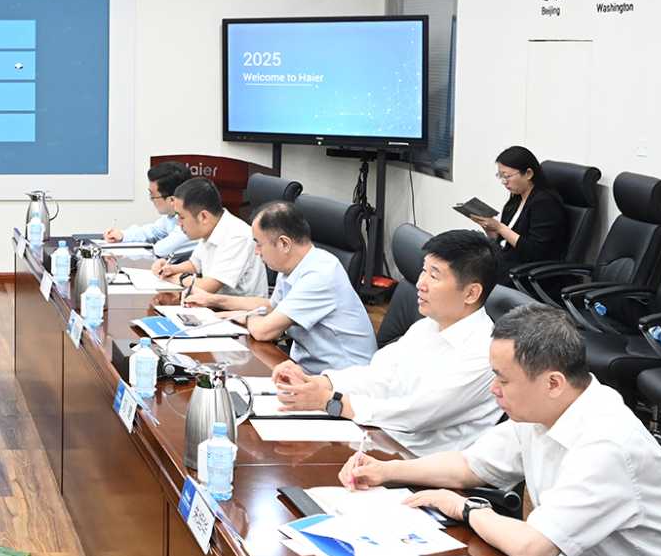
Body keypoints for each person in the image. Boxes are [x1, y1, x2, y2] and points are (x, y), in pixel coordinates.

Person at [339, 303, 661, 556]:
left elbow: (532, 548)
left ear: (553, 383)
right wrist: (386, 470)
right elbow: (469, 466)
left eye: (503, 380)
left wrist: (466, 508)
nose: (493, 389)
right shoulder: (545, 409)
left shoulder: (607, 442)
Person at [269, 228, 491, 449]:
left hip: (418, 460)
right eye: (423, 271)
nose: (420, 284)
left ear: (471, 293)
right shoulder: (428, 326)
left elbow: (413, 415)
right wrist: (318, 383)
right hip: (379, 439)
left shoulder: (484, 353)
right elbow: (379, 376)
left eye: (434, 276)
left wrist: (328, 400)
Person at [194, 201, 375, 373]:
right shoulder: (291, 265)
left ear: (284, 244)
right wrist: (214, 300)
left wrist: (243, 317)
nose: (256, 252)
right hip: (307, 368)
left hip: (342, 378)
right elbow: (272, 307)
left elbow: (264, 331)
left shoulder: (320, 274)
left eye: (259, 243)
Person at [150, 177, 266, 298]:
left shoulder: (237, 236)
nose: (179, 223)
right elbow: (195, 264)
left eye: (181, 217)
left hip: (238, 308)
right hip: (213, 304)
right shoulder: (211, 227)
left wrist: (175, 278)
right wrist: (170, 269)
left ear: (203, 217)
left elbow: (207, 287)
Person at [469, 145, 568, 270]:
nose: (504, 182)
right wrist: (490, 229)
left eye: (507, 176)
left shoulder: (545, 203)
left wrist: (500, 227)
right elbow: (504, 242)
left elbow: (535, 252)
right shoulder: (516, 198)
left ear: (528, 174)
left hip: (525, 270)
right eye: (500, 176)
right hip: (506, 260)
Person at [102, 161, 198, 261]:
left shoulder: (193, 221)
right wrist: (122, 235)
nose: (151, 199)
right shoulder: (172, 216)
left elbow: (161, 250)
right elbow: (153, 231)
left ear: (172, 200)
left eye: (153, 195)